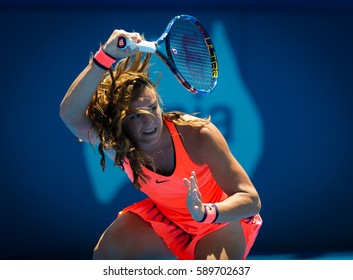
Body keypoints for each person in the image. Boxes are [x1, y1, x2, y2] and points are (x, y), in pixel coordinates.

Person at [60, 28, 262, 260]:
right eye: (135, 115)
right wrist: (105, 56)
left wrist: (204, 212)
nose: (148, 121)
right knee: (107, 253)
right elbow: (70, 114)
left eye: (152, 109)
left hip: (218, 221)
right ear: (121, 123)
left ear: (160, 105)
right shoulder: (121, 142)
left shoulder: (199, 135)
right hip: (167, 220)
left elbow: (250, 200)